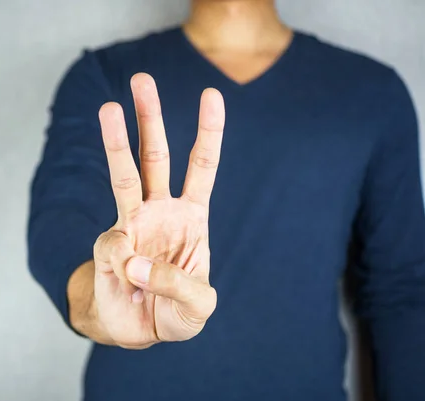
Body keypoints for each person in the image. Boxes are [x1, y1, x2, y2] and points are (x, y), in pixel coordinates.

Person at [27, 0, 425, 400]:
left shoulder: (374, 95)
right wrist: (99, 307)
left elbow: (400, 288)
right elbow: (60, 222)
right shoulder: (104, 76)